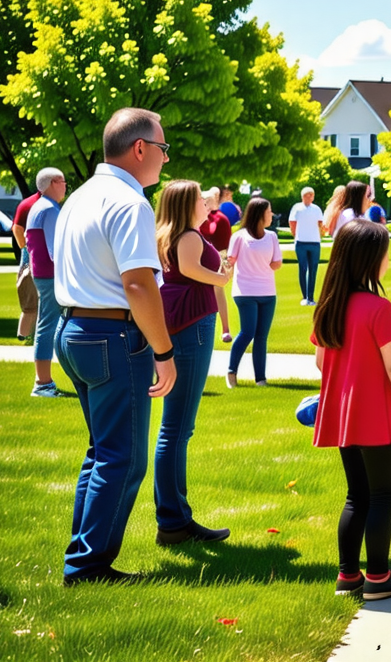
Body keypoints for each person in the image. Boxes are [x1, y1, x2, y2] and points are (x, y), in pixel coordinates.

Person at [54, 106, 177, 586]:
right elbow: (139, 285)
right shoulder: (130, 202)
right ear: (141, 148)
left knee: (102, 451)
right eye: (163, 149)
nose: (166, 160)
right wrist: (164, 353)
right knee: (123, 458)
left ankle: (82, 555)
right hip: (113, 335)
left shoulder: (81, 196)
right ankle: (87, 567)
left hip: (75, 331)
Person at [311, 218, 391, 600]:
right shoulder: (378, 307)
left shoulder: (329, 305)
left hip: (345, 415)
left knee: (356, 496)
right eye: (385, 255)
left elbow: (320, 361)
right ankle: (378, 577)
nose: (388, 262)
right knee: (383, 495)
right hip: (376, 414)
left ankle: (348, 576)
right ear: (368, 260)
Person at [154, 180, 235, 545]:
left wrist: (221, 270)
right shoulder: (187, 235)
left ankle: (174, 516)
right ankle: (174, 520)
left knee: (176, 428)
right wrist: (221, 275)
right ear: (187, 204)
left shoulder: (173, 232)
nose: (206, 203)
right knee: (177, 428)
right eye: (200, 199)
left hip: (186, 324)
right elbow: (189, 270)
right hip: (192, 327)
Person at [226, 198, 283, 389]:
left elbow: (277, 262)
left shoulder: (272, 237)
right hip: (245, 292)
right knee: (248, 331)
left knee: (261, 336)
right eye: (269, 211)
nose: (271, 214)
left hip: (268, 292)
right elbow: (230, 260)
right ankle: (231, 371)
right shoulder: (240, 236)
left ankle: (260, 379)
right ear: (260, 214)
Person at [25, 167, 68, 397]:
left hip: (42, 274)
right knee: (49, 325)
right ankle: (43, 383)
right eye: (63, 181)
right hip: (51, 275)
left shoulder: (37, 207)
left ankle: (43, 382)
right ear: (53, 182)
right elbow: (56, 251)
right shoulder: (50, 209)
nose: (65, 186)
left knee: (48, 324)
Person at [199, 187, 234, 343]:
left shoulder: (219, 218)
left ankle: (225, 328)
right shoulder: (200, 218)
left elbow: (220, 238)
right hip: (200, 258)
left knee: (218, 291)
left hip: (216, 258)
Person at [12, 189, 41, 344]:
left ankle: (27, 335)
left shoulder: (31, 203)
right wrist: (25, 247)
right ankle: (28, 335)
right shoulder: (31, 204)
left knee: (32, 300)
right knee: (31, 299)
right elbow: (17, 228)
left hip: (35, 252)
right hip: (33, 253)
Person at [289, 187, 326, 306]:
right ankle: (305, 296)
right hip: (301, 242)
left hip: (314, 242)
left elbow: (321, 224)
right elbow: (292, 222)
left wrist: (321, 234)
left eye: (311, 195)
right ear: (302, 196)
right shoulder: (297, 208)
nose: (309, 197)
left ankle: (311, 296)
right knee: (303, 268)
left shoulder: (317, 209)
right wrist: (295, 234)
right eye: (307, 195)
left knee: (313, 270)